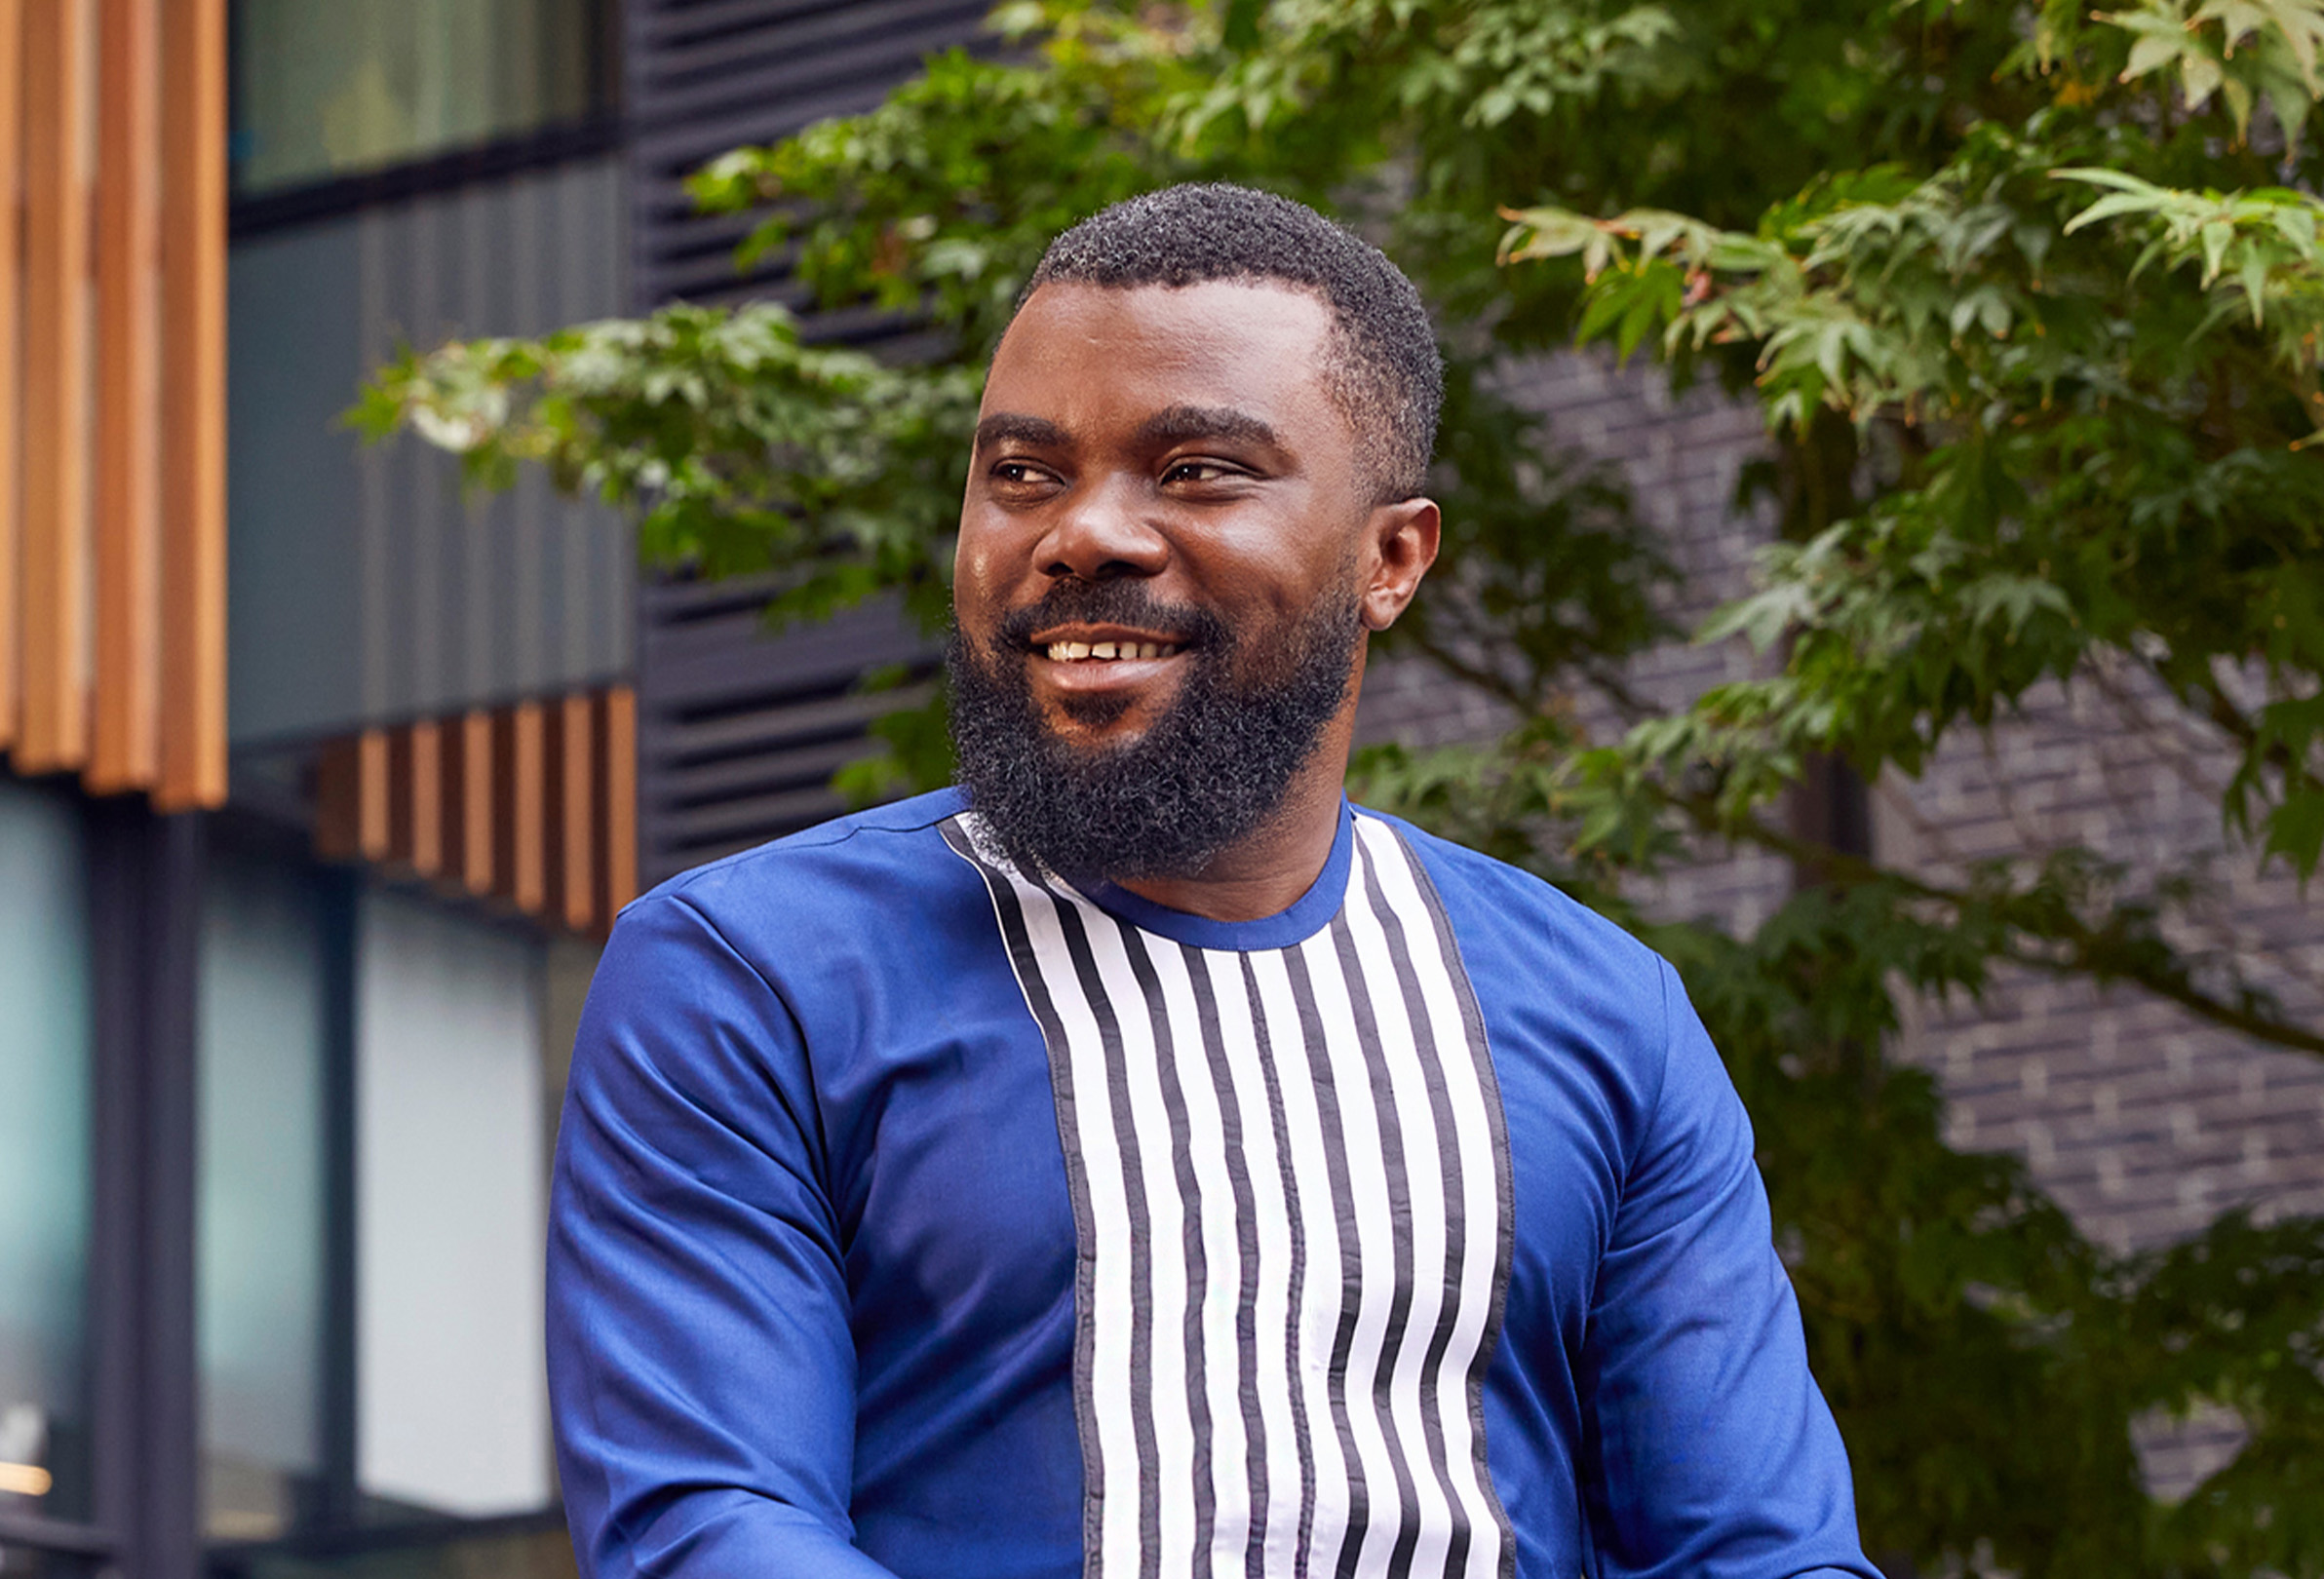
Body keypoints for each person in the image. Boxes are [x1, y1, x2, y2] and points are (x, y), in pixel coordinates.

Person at [549, 183, 1879, 1579]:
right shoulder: (754, 977)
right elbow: (709, 1526)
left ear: (1392, 558)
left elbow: (1766, 1553)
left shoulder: (1608, 1015)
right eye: (1023, 475)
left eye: (1195, 471)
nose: (1083, 533)